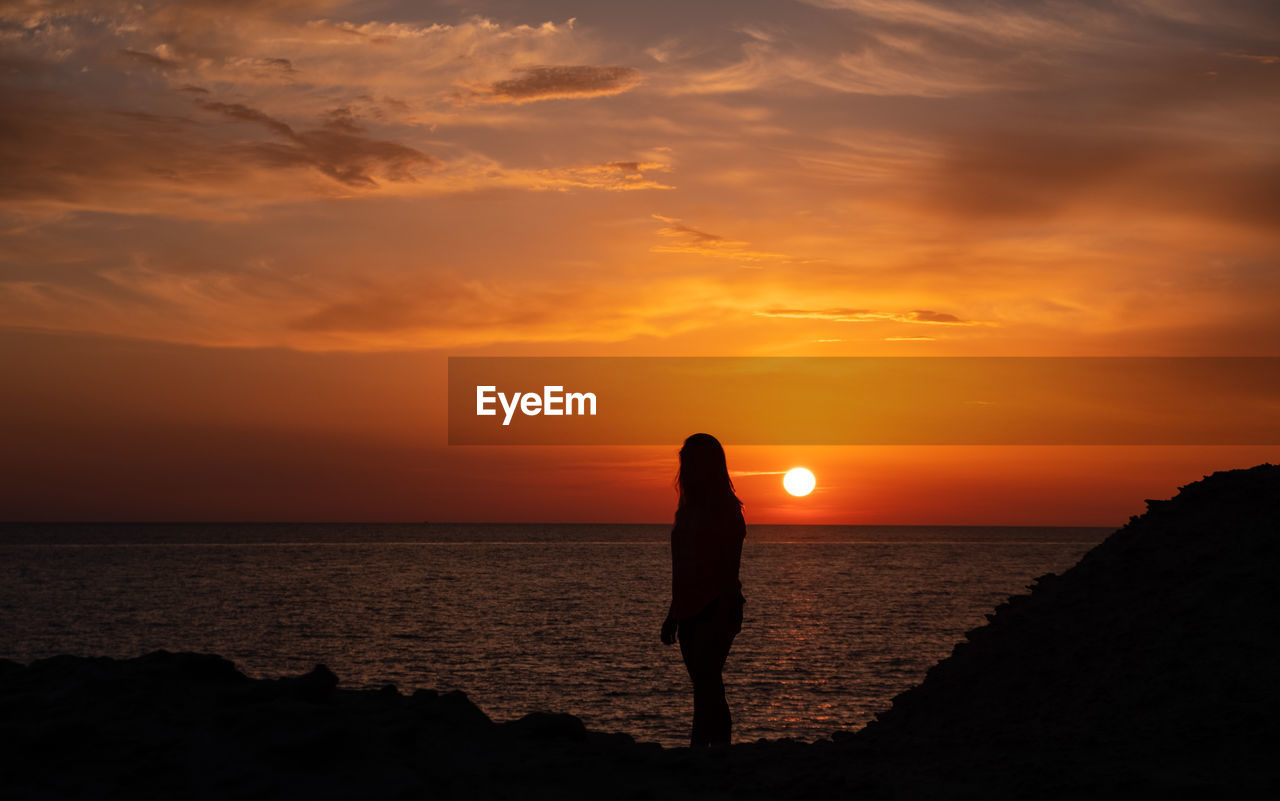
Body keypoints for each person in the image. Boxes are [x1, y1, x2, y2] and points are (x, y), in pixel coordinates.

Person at [660, 432, 746, 748]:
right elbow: (681, 568)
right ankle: (702, 750)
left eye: (690, 462)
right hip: (689, 611)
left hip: (717, 608)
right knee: (703, 685)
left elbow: (729, 569)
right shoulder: (686, 512)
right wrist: (673, 614)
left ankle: (715, 751)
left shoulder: (726, 511)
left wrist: (722, 613)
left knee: (708, 684)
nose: (684, 468)